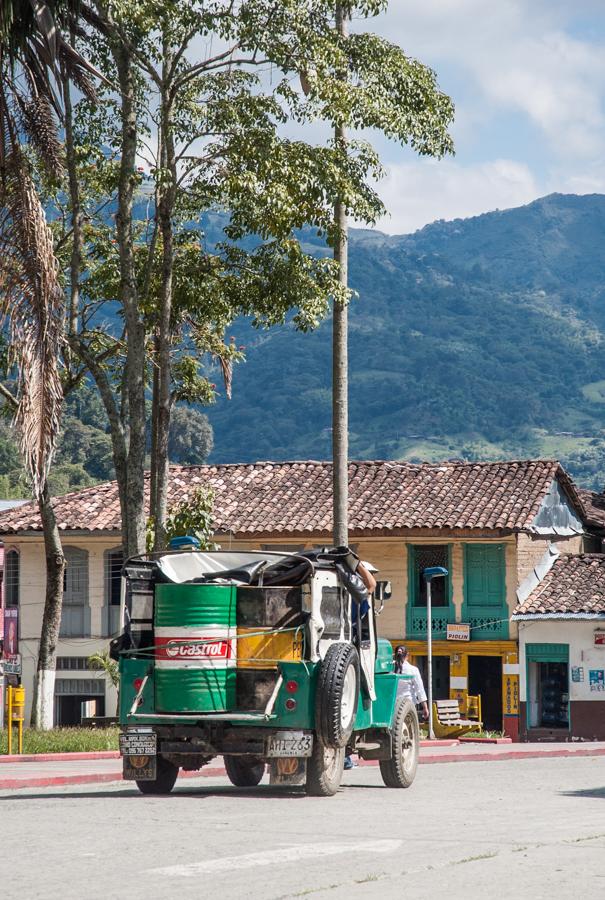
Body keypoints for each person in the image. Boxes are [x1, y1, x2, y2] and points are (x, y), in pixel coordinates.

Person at [394, 645, 429, 721]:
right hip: (408, 705)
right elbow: (419, 689)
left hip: (393, 705)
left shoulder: (390, 670)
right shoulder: (413, 670)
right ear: (407, 655)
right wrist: (425, 707)